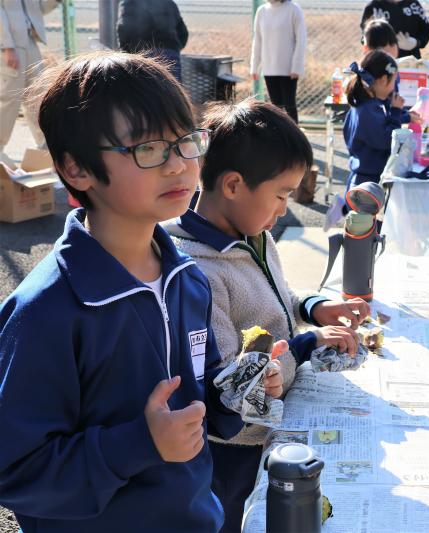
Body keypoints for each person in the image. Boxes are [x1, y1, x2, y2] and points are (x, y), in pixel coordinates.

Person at [0, 51, 252, 531]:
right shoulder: (47, 310)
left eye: (185, 142)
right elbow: (16, 469)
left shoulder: (187, 280)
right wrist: (141, 444)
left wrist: (242, 387)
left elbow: (203, 395)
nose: (178, 166)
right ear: (77, 170)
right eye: (148, 149)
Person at [165, 99, 367, 533]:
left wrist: (313, 308)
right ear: (234, 185)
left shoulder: (251, 234)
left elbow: (276, 298)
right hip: (235, 445)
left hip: (273, 422)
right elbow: (228, 387)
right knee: (238, 518)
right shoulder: (199, 272)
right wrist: (306, 345)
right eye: (280, 196)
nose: (282, 210)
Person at [325, 50, 403, 231]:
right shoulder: (369, 110)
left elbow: (382, 123)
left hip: (362, 171)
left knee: (359, 213)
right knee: (362, 228)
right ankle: (343, 208)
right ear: (383, 80)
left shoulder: (368, 105)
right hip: (367, 177)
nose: (394, 88)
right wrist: (397, 113)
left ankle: (342, 205)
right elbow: (386, 139)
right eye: (393, 82)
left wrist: (401, 114)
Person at [0, 0, 60, 166]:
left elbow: (38, 9)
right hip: (9, 45)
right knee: (9, 99)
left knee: (38, 95)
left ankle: (44, 151)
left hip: (30, 41)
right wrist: (7, 47)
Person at [250, 0, 307, 123]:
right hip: (269, 67)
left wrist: (297, 66)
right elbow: (257, 40)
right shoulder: (262, 11)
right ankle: (279, 138)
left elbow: (301, 39)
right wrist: (254, 67)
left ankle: (294, 137)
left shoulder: (293, 9)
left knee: (289, 105)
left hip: (288, 69)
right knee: (275, 107)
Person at [117, 0, 188, 81]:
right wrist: (174, 49)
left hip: (141, 55)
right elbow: (183, 33)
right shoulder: (169, 3)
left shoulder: (129, 2)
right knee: (172, 90)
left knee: (144, 90)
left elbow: (123, 29)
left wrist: (126, 53)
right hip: (170, 55)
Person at [360, 0, 429, 59]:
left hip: (410, 62)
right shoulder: (374, 7)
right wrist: (383, 48)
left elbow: (426, 31)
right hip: (380, 63)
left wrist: (415, 42)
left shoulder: (414, 5)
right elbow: (365, 36)